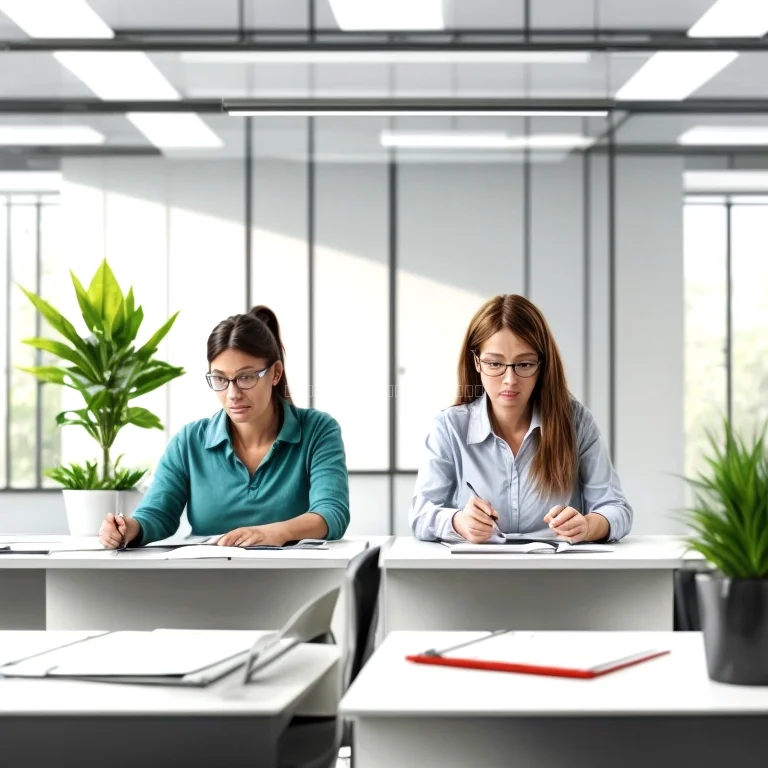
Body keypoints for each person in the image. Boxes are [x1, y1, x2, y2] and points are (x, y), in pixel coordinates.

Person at [99, 306, 350, 549]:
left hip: (295, 579)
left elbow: (332, 512)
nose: (232, 394)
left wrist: (274, 532)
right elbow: (156, 515)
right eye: (220, 378)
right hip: (209, 580)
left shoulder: (318, 430)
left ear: (275, 373)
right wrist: (127, 529)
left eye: (245, 377)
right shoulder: (189, 442)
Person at [410, 294, 632, 544]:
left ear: (542, 365)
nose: (510, 380)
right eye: (494, 364)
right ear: (477, 363)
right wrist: (458, 522)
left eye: (524, 365)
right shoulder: (449, 426)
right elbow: (420, 514)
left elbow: (617, 509)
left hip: (558, 571)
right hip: (476, 572)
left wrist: (589, 526)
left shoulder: (576, 422)